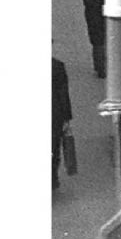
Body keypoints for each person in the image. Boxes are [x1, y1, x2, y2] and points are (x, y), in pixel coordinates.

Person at [52, 56, 74, 192]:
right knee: (54, 149)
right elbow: (63, 94)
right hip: (54, 115)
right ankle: (52, 179)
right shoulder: (56, 66)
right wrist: (66, 118)